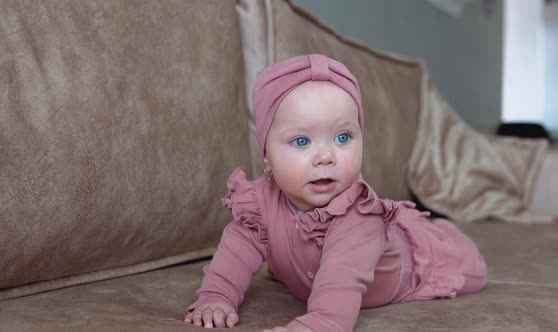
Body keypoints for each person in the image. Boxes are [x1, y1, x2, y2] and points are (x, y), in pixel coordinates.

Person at [184, 54, 487, 332]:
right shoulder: (257, 205)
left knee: (471, 269)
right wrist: (217, 297)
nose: (326, 156)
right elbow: (234, 256)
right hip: (312, 273)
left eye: (343, 137)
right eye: (301, 142)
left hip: (409, 269)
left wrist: (313, 326)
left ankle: (444, 232)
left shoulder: (359, 219)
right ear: (267, 155)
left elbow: (332, 313)